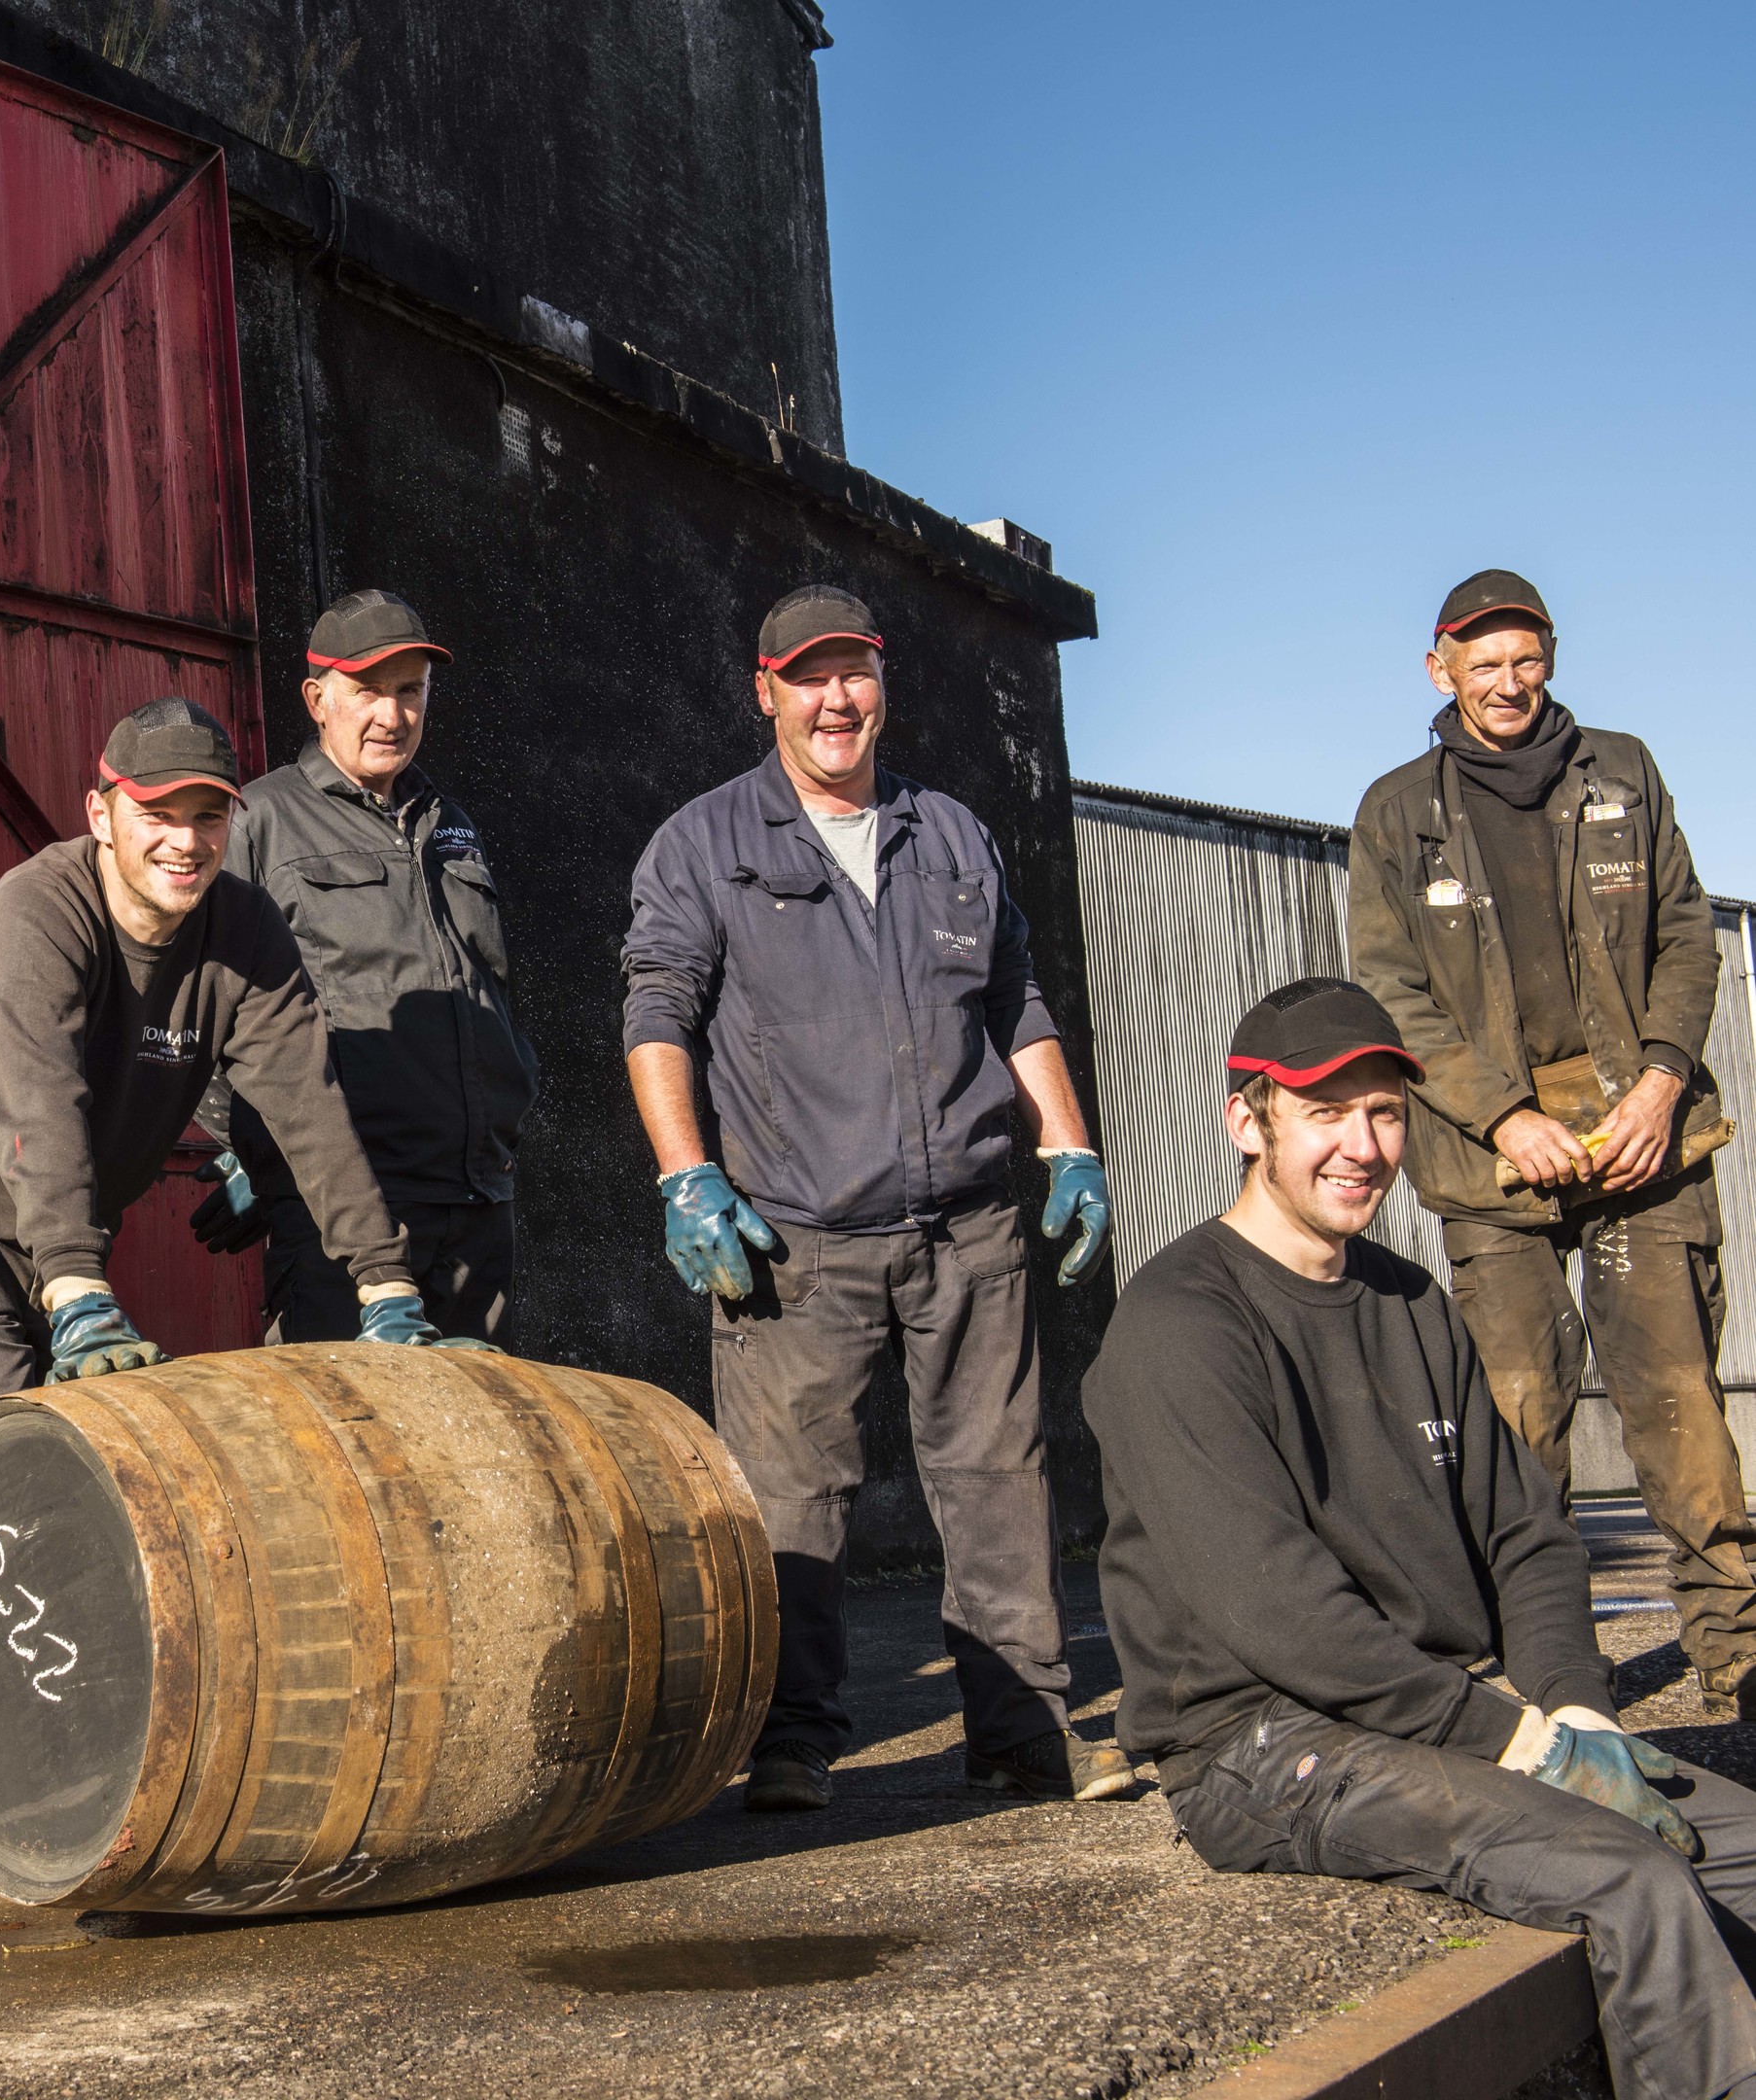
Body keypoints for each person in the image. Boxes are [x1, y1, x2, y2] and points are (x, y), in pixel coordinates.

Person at [1086, 975, 1756, 2100]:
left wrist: (1575, 1706)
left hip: (1425, 1712)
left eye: (1385, 1113)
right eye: (1324, 1113)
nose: (1362, 1146)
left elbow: (1527, 1539)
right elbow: (1281, 1616)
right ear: (1245, 1122)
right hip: (1261, 1746)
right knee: (1628, 1879)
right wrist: (1523, 1746)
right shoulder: (1178, 1326)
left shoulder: (1405, 1301)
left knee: (1733, 1837)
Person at [619, 583, 1126, 1813]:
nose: (833, 699)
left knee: (999, 1478)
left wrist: (1065, 1144)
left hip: (966, 1223)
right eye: (808, 677)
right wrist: (685, 1174)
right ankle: (791, 1739)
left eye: (853, 674)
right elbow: (656, 1013)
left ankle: (1023, 1733)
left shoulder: (947, 832)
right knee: (791, 1501)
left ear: (880, 686)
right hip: (792, 1236)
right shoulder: (703, 842)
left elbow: (1014, 999)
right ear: (765, 692)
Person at [0, 695, 480, 1459]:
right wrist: (76, 1284)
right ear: (100, 815)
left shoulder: (246, 930)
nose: (185, 843)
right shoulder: (37, 914)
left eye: (208, 817)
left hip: (63, 1226)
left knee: (77, 1478)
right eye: (157, 814)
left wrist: (385, 1285)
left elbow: (308, 1109)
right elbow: (40, 1102)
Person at [1349, 569, 1756, 1717]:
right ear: (1440, 670)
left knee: (1676, 1402)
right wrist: (1501, 1115)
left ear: (1551, 656)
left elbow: (1686, 936)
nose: (1506, 683)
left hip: (1642, 1140)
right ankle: (1544, 1664)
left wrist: (1661, 1082)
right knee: (1519, 1408)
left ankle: (1733, 1649)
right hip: (1491, 1158)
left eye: (1524, 659)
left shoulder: (1620, 771)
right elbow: (1392, 992)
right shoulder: (1394, 811)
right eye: (1482, 664)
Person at [185, 590, 539, 1348]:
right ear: (318, 699)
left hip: (478, 1203)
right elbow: (192, 1007)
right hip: (350, 1216)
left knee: (482, 1451)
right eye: (368, 691)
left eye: (410, 691)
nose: (393, 714)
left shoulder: (451, 823)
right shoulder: (259, 823)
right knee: (353, 1450)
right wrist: (261, 1147)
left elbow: (487, 989)